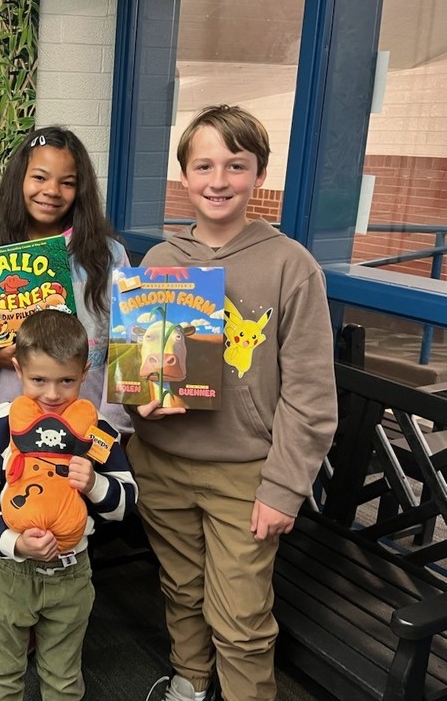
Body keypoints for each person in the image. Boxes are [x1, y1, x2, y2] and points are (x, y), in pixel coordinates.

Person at [131, 105, 337, 701]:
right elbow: (145, 368)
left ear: (260, 174)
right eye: (204, 165)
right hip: (162, 462)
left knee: (243, 619)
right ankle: (190, 683)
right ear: (185, 176)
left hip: (246, 475)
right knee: (181, 591)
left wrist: (284, 487)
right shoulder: (161, 262)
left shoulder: (291, 266)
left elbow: (310, 394)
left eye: (235, 165)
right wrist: (142, 403)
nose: (218, 179)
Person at [0, 309, 137, 700]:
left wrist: (94, 484)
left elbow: (126, 503)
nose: (53, 394)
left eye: (67, 381)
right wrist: (14, 542)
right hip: (10, 573)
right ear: (18, 370)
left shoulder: (95, 431)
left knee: (63, 680)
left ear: (85, 371)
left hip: (71, 574)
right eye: (39, 380)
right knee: (3, 676)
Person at [0, 125, 131, 427]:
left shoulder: (109, 255)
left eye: (67, 182)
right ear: (20, 178)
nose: (51, 191)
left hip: (85, 428)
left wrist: (109, 426)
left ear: (80, 190)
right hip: (5, 426)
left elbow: (124, 346)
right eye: (39, 177)